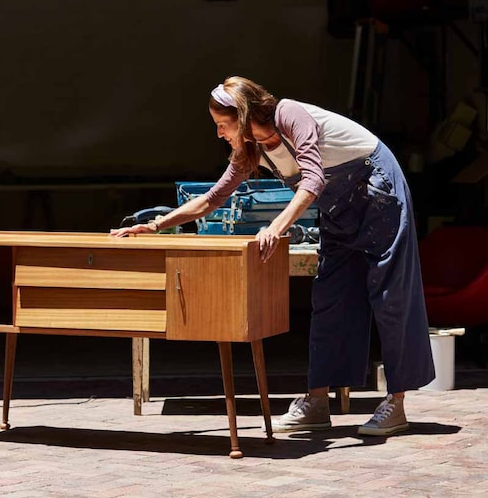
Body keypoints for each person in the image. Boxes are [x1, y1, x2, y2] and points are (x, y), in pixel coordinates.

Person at [111, 76, 434, 436]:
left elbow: (312, 180)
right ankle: (317, 401)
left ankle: (397, 402)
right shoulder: (252, 147)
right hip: (338, 208)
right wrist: (157, 225)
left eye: (222, 125)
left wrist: (275, 227)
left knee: (390, 296)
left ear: (244, 114)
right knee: (330, 297)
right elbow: (214, 197)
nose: (218, 134)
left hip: (377, 189)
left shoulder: (290, 115)